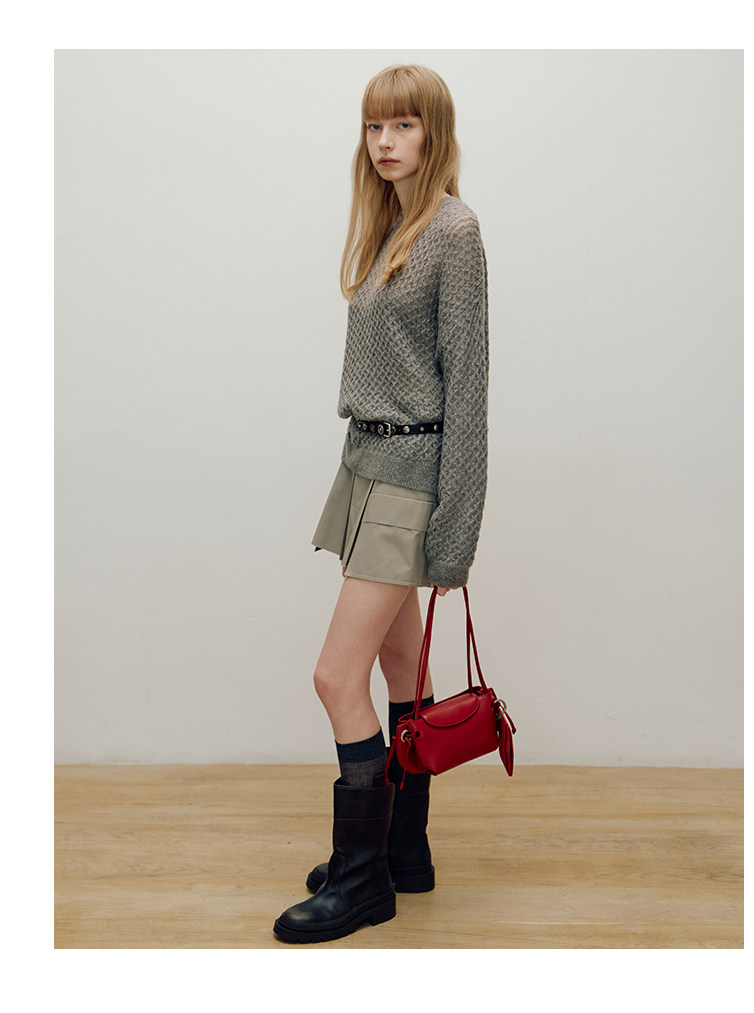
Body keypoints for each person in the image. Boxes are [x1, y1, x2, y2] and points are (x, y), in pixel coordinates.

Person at [273, 64, 489, 944]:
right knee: (400, 670)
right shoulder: (393, 224)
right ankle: (403, 851)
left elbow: (468, 387)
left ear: (435, 132)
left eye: (404, 125)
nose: (386, 142)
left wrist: (456, 532)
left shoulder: (455, 232)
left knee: (335, 676)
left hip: (411, 478)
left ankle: (362, 878)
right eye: (374, 127)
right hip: (367, 464)